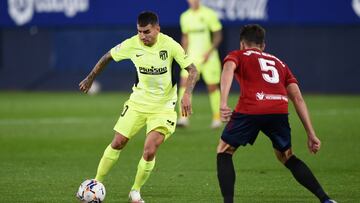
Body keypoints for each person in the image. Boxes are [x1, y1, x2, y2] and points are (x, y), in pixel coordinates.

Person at [78, 11, 198, 203]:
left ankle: (135, 191)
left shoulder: (170, 45)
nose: (143, 36)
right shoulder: (132, 44)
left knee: (150, 149)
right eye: (140, 32)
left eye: (147, 32)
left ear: (157, 29)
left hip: (163, 107)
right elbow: (108, 56)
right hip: (137, 102)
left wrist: (187, 94)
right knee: (118, 142)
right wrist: (90, 77)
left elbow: (192, 70)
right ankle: (95, 183)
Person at [216, 24, 336, 203]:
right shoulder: (279, 63)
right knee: (287, 156)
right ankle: (326, 199)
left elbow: (227, 70)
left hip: (252, 107)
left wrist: (223, 102)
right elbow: (297, 98)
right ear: (263, 46)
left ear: (242, 44)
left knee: (224, 151)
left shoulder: (237, 55)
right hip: (279, 110)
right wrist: (311, 133)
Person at [177, 0, 223, 128]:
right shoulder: (185, 17)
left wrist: (209, 52)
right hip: (192, 58)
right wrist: (182, 54)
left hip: (209, 57)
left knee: (212, 87)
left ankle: (217, 118)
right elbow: (185, 37)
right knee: (184, 84)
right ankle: (183, 117)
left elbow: (218, 35)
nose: (194, 2)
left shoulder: (209, 14)